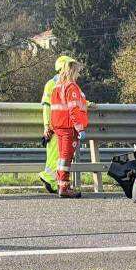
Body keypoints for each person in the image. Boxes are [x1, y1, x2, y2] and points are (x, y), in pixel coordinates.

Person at [49, 59, 90, 198]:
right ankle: (64, 188)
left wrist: (51, 126)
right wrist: (80, 128)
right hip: (68, 128)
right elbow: (74, 109)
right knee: (66, 159)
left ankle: (61, 184)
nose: (78, 74)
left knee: (62, 158)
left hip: (59, 126)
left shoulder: (57, 87)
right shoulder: (71, 87)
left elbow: (54, 109)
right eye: (77, 71)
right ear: (72, 71)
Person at [38, 55, 74, 193]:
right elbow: (46, 106)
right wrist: (47, 126)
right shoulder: (52, 84)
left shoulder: (67, 84)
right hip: (56, 127)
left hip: (61, 126)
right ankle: (49, 179)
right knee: (56, 156)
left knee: (59, 156)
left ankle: (55, 182)